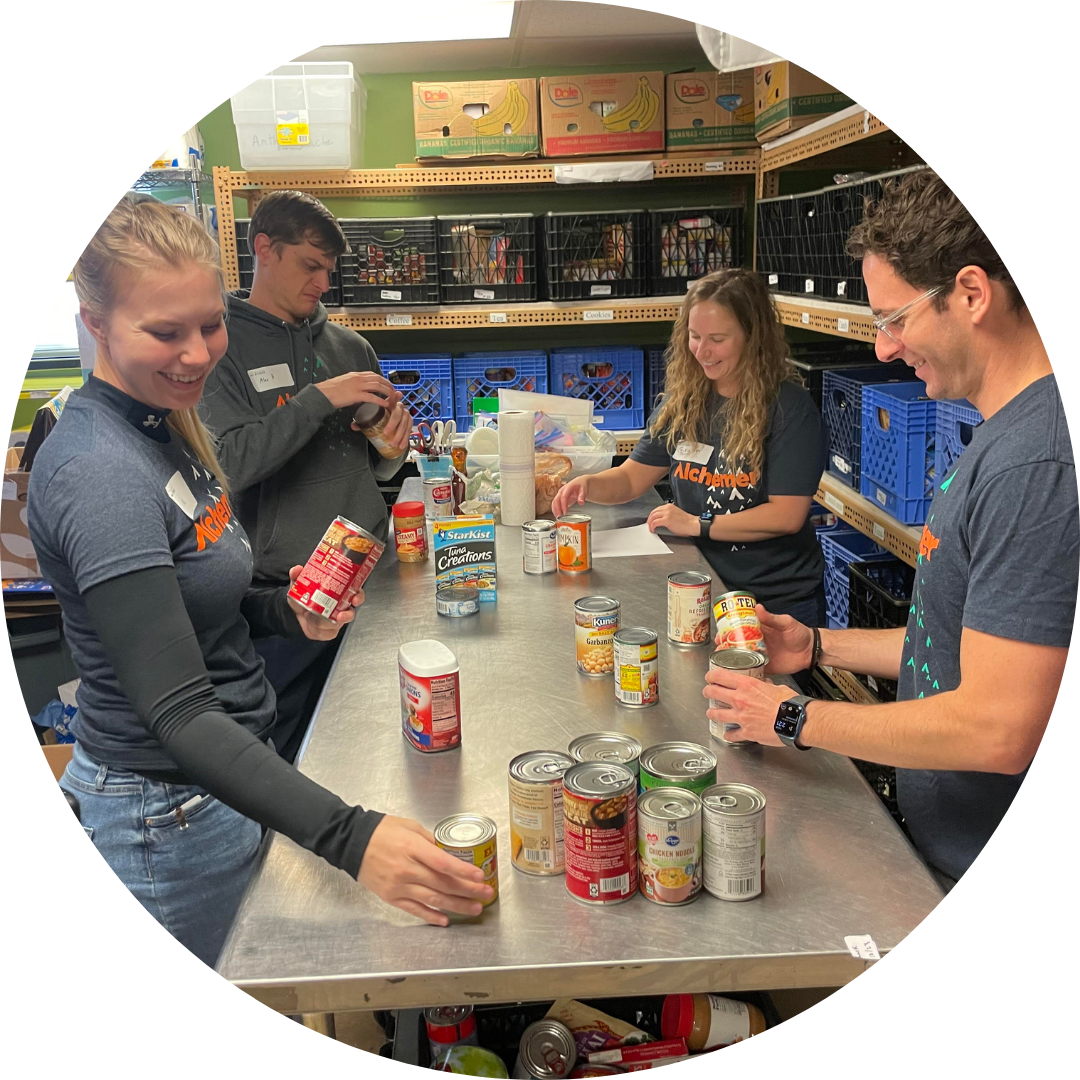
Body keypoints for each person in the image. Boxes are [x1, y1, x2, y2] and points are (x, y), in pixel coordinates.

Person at [28, 196, 492, 969]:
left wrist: (284, 612)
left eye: (209, 324)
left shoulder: (165, 426)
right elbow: (176, 709)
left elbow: (202, 593)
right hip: (164, 807)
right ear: (96, 322)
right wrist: (350, 837)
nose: (199, 354)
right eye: (164, 332)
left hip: (227, 779)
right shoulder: (98, 471)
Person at [704, 170, 1074, 893]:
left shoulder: (1037, 464)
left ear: (971, 294)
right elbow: (962, 647)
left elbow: (997, 728)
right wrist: (815, 644)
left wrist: (794, 717)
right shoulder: (1005, 434)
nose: (882, 348)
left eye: (895, 318)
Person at [200, 191, 412, 764]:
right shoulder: (220, 348)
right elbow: (230, 464)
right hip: (282, 597)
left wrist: (392, 446)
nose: (322, 282)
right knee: (290, 753)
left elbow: (378, 463)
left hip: (368, 576)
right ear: (263, 249)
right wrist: (318, 399)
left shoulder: (350, 346)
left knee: (372, 747)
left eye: (329, 270)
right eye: (310, 265)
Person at [551, 267, 828, 630]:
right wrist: (589, 484)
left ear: (752, 337)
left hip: (773, 603)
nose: (702, 351)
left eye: (717, 338)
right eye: (694, 336)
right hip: (702, 587)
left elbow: (786, 515)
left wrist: (698, 524)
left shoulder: (789, 410)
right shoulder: (685, 400)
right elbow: (632, 478)